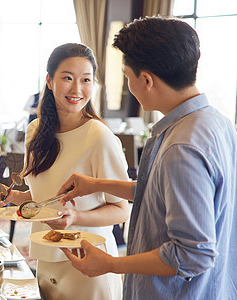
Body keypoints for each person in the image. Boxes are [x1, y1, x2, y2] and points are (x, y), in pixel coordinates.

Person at [58, 17, 237, 300]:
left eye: (128, 77)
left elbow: (192, 254)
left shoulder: (182, 148)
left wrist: (111, 264)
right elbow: (164, 194)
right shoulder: (216, 122)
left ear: (146, 80)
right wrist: (96, 184)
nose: (129, 85)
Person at [0, 43, 131, 300]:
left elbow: (122, 209)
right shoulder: (35, 131)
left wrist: (75, 217)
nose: (77, 89)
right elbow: (45, 199)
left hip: (88, 260)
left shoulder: (99, 136)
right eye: (67, 78)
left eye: (86, 80)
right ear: (49, 80)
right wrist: (14, 198)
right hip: (46, 255)